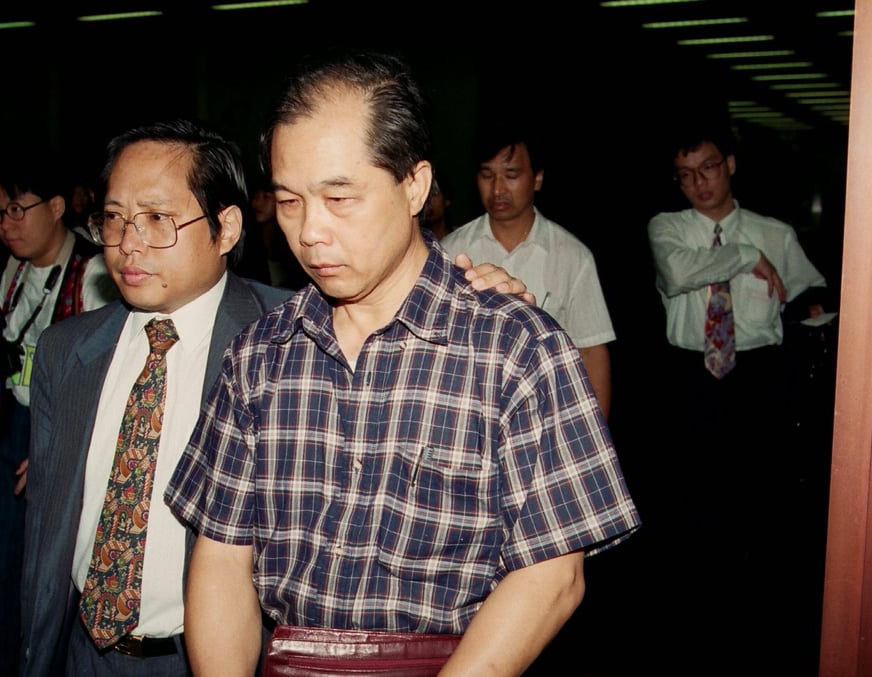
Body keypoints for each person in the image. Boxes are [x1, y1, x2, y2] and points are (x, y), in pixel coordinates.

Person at [164, 50, 641, 676]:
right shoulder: (261, 355)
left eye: (340, 198)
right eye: (288, 202)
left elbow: (553, 577)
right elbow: (223, 557)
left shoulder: (516, 348)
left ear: (414, 185)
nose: (309, 232)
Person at [19, 118, 531, 677]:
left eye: (158, 219)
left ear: (227, 227)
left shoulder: (290, 340)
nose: (128, 243)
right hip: (79, 654)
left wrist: (477, 291)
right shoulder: (65, 352)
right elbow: (48, 532)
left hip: (216, 655)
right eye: (114, 219)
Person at [645, 123, 831, 674]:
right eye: (685, 176)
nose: (698, 183)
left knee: (760, 511)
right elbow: (679, 273)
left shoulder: (777, 232)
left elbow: (807, 295)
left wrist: (814, 315)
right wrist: (746, 257)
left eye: (707, 168)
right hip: (689, 381)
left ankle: (760, 638)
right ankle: (696, 637)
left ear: (730, 164)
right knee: (692, 514)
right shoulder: (667, 227)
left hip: (758, 380)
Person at [0, 155, 116, 677]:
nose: (6, 225)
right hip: (15, 428)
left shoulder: (92, 273)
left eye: (17, 210)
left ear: (55, 207)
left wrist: (61, 448)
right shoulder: (15, 268)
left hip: (61, 434)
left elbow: (103, 376)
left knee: (45, 576)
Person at [440, 120, 616, 419]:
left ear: (537, 179)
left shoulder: (572, 256)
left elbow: (591, 352)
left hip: (547, 413)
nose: (497, 189)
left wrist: (594, 430)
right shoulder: (450, 251)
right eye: (486, 175)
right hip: (467, 414)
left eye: (511, 175)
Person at [422, 173, 454, 240]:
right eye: (424, 195)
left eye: (434, 194)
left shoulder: (461, 239)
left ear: (447, 200)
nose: (427, 201)